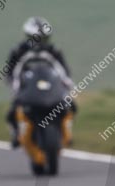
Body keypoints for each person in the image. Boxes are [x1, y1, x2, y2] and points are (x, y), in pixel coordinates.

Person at [6, 16, 72, 147]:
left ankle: (67, 133)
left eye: (44, 39)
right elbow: (10, 72)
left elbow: (64, 70)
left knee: (71, 105)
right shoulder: (19, 51)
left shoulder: (54, 50)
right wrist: (15, 84)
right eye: (38, 39)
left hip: (50, 87)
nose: (41, 42)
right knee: (12, 112)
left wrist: (67, 83)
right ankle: (16, 133)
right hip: (28, 87)